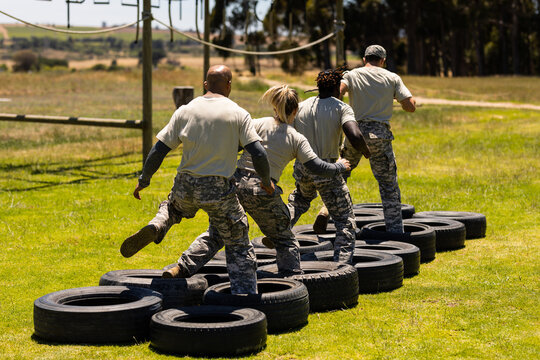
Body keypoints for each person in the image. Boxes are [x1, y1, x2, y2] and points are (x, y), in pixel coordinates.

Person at [163, 84, 352, 277]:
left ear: (274, 108)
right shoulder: (296, 138)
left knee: (217, 234)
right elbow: (317, 167)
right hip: (263, 189)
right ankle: (292, 284)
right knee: (285, 240)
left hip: (235, 186)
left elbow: (233, 145)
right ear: (296, 110)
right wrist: (339, 166)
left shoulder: (256, 124)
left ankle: (181, 268)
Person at [120, 65, 274, 295]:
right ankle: (244, 297)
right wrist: (266, 181)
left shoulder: (185, 110)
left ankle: (159, 224)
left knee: (172, 208)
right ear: (229, 85)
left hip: (185, 185)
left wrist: (144, 179)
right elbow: (259, 153)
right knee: (238, 241)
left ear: (205, 84)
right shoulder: (238, 113)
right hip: (217, 190)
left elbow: (159, 149)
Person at [287, 68, 371, 263]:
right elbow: (355, 135)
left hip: (303, 166)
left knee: (300, 199)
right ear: (336, 87)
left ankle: (278, 228)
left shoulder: (301, 106)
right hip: (327, 168)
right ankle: (341, 268)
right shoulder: (341, 107)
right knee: (345, 222)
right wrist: (365, 151)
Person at [339, 45, 416, 233]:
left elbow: (338, 92)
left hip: (354, 133)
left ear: (365, 59)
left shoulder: (351, 74)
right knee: (388, 184)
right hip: (379, 135)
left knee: (340, 176)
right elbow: (410, 106)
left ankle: (332, 216)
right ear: (383, 61)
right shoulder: (392, 77)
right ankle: (395, 231)